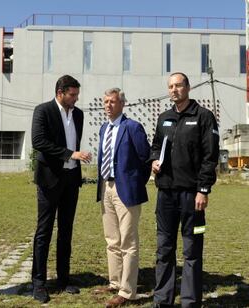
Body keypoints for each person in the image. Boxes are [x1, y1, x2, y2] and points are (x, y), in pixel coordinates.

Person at [150, 72, 219, 308]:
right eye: (170, 86)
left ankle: (190, 302)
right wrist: (153, 161)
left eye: (178, 85)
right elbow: (156, 146)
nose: (174, 90)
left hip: (192, 195)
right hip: (166, 194)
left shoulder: (203, 117)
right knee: (164, 249)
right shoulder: (164, 118)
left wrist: (203, 190)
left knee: (192, 250)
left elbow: (210, 157)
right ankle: (162, 300)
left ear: (188, 88)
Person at [31, 75, 92, 303]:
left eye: (77, 95)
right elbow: (39, 141)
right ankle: (38, 283)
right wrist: (70, 154)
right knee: (44, 231)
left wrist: (74, 158)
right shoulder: (43, 111)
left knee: (66, 231)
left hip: (71, 179)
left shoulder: (78, 114)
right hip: (49, 180)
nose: (75, 99)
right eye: (72, 95)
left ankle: (64, 279)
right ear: (60, 92)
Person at [95, 88, 150, 308]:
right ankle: (115, 282)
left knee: (128, 242)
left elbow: (146, 159)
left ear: (122, 104)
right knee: (112, 240)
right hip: (106, 187)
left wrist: (135, 184)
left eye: (113, 101)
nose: (108, 105)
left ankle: (127, 292)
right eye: (105, 101)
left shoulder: (132, 128)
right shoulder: (103, 128)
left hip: (126, 191)